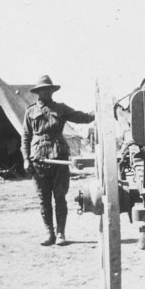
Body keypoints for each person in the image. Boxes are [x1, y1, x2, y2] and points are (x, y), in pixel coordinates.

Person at [21, 75, 94, 246]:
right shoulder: (30, 111)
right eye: (42, 90)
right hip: (38, 159)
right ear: (38, 92)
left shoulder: (61, 109)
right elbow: (25, 137)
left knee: (60, 197)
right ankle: (49, 234)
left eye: (48, 89)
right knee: (43, 199)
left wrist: (100, 110)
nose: (46, 92)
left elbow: (82, 117)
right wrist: (25, 159)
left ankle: (61, 233)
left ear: (52, 91)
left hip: (59, 158)